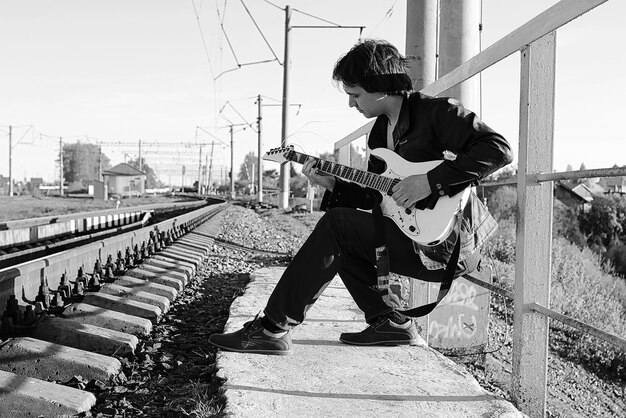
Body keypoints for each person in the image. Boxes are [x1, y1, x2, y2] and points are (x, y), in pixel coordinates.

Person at [209, 39, 513, 355]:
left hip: (448, 246)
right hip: (413, 237)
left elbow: (498, 149)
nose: (352, 104)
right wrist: (330, 183)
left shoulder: (437, 113)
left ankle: (271, 329)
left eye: (355, 95)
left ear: (379, 87)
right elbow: (376, 197)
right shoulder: (378, 134)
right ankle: (391, 323)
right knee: (343, 234)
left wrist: (430, 182)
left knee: (337, 225)